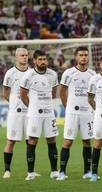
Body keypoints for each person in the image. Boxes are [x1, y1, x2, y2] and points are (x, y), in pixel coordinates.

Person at [57, 47, 96, 180]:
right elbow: (62, 92)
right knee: (67, 142)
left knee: (87, 141)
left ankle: (87, 172)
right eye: (81, 55)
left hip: (87, 113)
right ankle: (61, 172)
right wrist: (68, 108)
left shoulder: (92, 74)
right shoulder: (69, 73)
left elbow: (93, 94)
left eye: (86, 55)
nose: (84, 57)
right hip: (72, 113)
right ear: (76, 57)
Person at [19, 50, 59, 180]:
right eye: (40, 59)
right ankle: (30, 172)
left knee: (51, 140)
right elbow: (23, 94)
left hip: (49, 113)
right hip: (34, 114)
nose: (43, 62)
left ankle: (54, 171)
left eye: (44, 59)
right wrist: (32, 107)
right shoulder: (29, 75)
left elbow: (53, 93)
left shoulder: (53, 74)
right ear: (34, 61)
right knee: (32, 140)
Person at [2, 48, 32, 178]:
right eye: (22, 55)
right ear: (16, 57)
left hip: (30, 113)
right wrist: (14, 103)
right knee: (11, 141)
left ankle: (30, 171)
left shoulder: (32, 73)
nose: (24, 57)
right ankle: (7, 170)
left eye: (26, 55)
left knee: (30, 141)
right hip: (15, 112)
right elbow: (6, 93)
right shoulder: (10, 73)